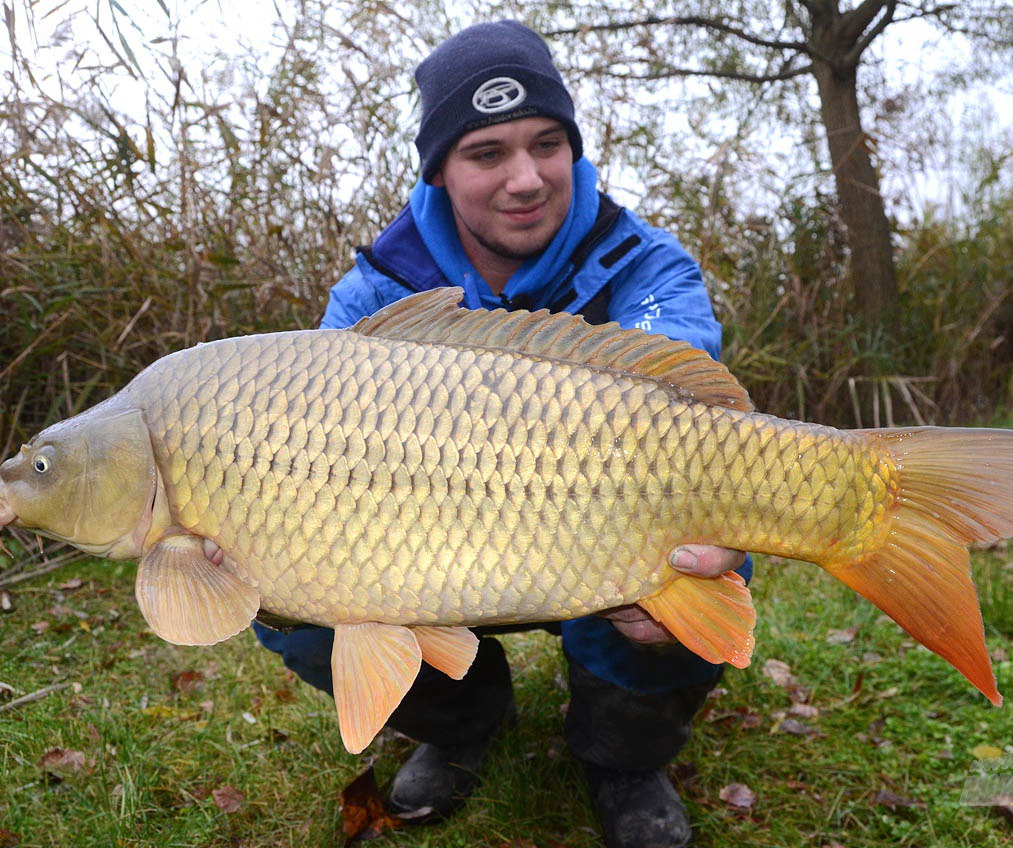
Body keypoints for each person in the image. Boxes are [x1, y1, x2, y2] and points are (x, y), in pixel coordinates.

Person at [253, 20, 752, 848]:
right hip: (426, 549)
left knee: (709, 537)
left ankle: (621, 754)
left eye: (547, 144)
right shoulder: (374, 295)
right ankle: (460, 725)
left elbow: (691, 408)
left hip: (594, 530)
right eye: (487, 153)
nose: (526, 179)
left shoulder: (646, 265)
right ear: (441, 169)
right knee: (288, 600)